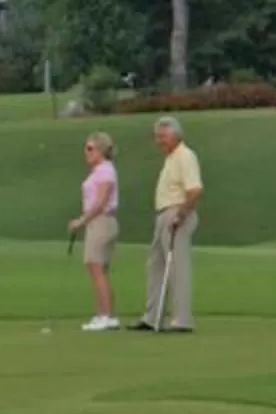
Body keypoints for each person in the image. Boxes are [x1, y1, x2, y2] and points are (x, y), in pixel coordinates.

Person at [134, 115, 202, 334]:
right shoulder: (171, 158)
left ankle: (182, 319)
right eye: (157, 137)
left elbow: (195, 190)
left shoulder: (185, 156)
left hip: (177, 214)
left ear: (175, 135)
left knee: (177, 267)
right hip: (164, 214)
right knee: (155, 265)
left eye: (163, 136)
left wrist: (180, 215)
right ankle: (153, 317)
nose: (159, 141)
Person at [67, 130, 122, 330]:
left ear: (101, 150)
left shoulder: (105, 171)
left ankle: (106, 316)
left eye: (90, 148)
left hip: (101, 221)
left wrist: (81, 221)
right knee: (99, 270)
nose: (86, 152)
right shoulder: (99, 171)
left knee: (96, 267)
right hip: (98, 222)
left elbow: (100, 202)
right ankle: (104, 314)